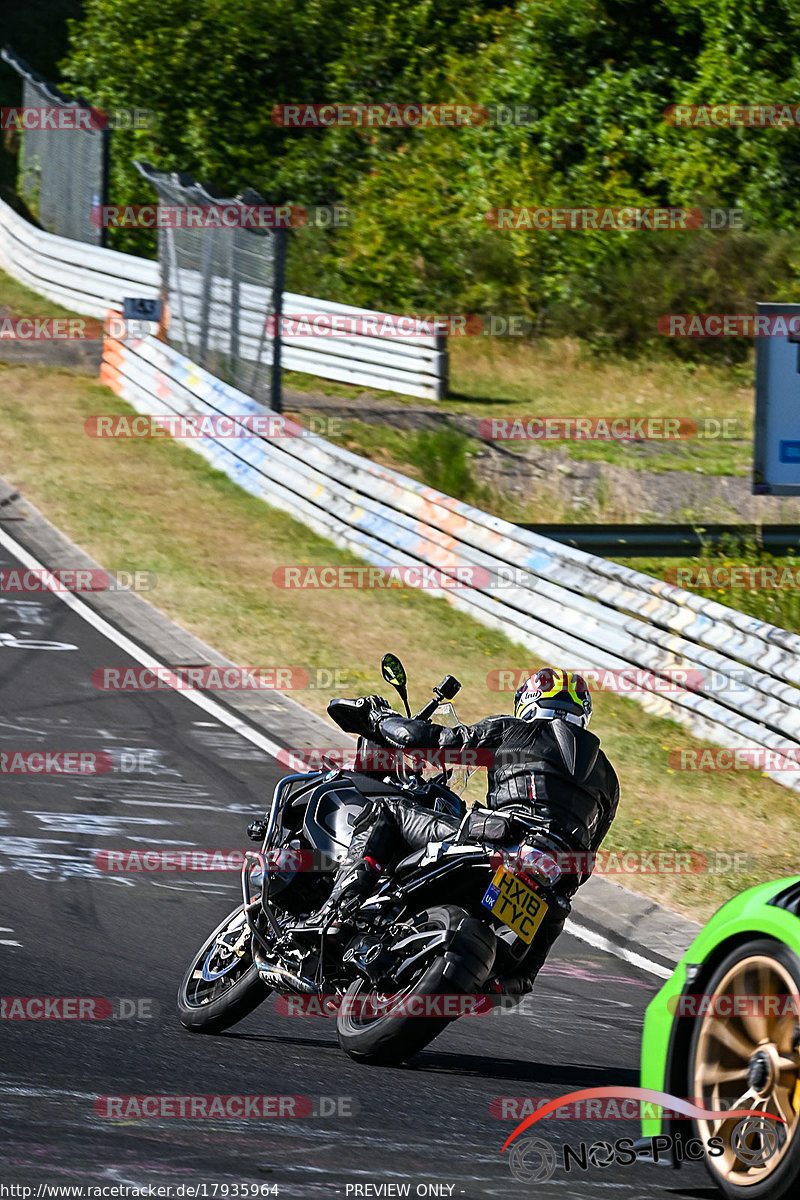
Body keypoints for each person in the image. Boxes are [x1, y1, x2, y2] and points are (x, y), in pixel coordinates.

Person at [294, 667, 619, 992]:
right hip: (554, 883)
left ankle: (336, 910)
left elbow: (437, 742)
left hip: (499, 841)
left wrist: (378, 718)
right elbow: (588, 857)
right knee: (519, 977)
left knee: (387, 811)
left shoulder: (517, 731)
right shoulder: (609, 779)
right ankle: (511, 980)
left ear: (531, 701)